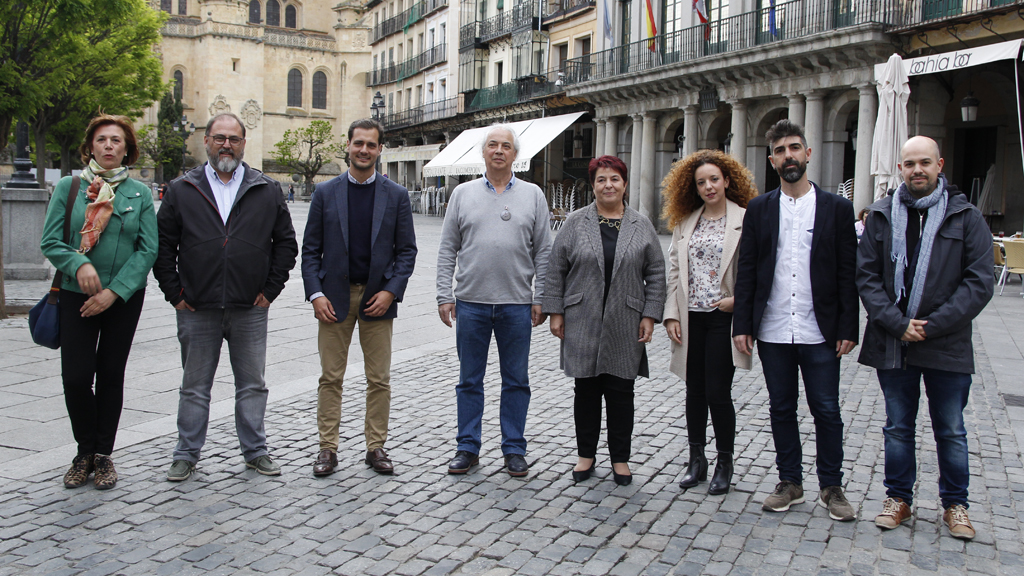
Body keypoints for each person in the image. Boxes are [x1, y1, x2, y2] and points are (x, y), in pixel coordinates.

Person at [856, 136, 993, 540]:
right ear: (900, 168)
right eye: (910, 163)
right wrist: (898, 323)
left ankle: (956, 505)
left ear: (940, 165)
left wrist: (930, 325)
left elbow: (979, 282)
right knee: (897, 425)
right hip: (894, 341)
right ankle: (898, 499)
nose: (917, 170)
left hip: (946, 343)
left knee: (950, 429)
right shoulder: (881, 216)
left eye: (925, 163)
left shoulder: (966, 217)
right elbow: (866, 277)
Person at [155, 113, 298, 482]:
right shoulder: (182, 188)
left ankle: (255, 451)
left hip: (249, 307)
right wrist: (176, 294)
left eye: (234, 139)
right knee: (194, 386)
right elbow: (163, 246)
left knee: (252, 384)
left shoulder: (265, 188)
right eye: (219, 138)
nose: (226, 145)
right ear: (206, 140)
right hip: (196, 306)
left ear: (244, 143)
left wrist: (270, 291)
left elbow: (285, 244)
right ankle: (185, 454)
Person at [732, 119, 859, 521]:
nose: (789, 155)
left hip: (819, 329)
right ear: (772, 160)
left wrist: (848, 327)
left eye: (795, 148)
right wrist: (743, 324)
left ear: (808, 153)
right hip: (772, 329)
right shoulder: (760, 208)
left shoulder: (837, 209)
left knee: (826, 409)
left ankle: (832, 486)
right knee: (781, 407)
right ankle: (790, 482)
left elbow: (846, 271)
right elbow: (748, 268)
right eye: (781, 150)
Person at [40, 115, 158, 490]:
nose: (109, 146)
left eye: (117, 141)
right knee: (75, 377)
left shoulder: (138, 194)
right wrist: (79, 264)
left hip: (122, 298)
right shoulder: (69, 187)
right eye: (102, 139)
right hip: (77, 296)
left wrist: (114, 291)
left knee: (110, 374)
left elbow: (147, 249)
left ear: (127, 149)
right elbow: (51, 242)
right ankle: (83, 451)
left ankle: (102, 454)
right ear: (90, 146)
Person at [301, 118, 417, 477]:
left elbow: (407, 252)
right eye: (358, 144)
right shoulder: (325, 193)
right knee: (330, 378)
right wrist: (316, 293)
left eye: (371, 145)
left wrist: (390, 291)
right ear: (348, 146)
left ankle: (376, 446)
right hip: (333, 300)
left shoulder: (396, 196)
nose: (364, 150)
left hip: (377, 300)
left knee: (379, 378)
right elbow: (310, 251)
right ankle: (327, 448)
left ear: (380, 150)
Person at [436, 123, 552, 478]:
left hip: (516, 304)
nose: (499, 150)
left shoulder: (533, 194)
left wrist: (541, 296)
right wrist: (444, 294)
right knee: (469, 379)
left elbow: (544, 251)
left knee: (516, 380)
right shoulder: (462, 194)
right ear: (482, 152)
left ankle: (514, 449)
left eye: (506, 146)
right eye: (492, 145)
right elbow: (447, 249)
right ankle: (467, 447)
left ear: (515, 155)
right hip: (470, 302)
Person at [542, 155, 665, 487]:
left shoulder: (641, 224)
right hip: (582, 315)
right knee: (586, 388)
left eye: (614, 179)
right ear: (593, 185)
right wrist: (556, 311)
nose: (608, 185)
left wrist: (650, 316)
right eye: (601, 180)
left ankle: (620, 459)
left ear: (624, 184)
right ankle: (586, 455)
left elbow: (656, 273)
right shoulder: (576, 222)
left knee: (621, 390)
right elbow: (556, 268)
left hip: (626, 318)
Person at [661, 149, 757, 495]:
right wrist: (671, 313)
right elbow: (674, 272)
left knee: (718, 391)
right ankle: (696, 459)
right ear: (694, 188)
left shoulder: (746, 219)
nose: (709, 186)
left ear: (728, 181)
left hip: (724, 316)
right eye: (702, 182)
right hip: (691, 318)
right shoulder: (687, 223)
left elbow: (757, 270)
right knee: (694, 389)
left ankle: (724, 461)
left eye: (714, 179)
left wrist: (740, 302)